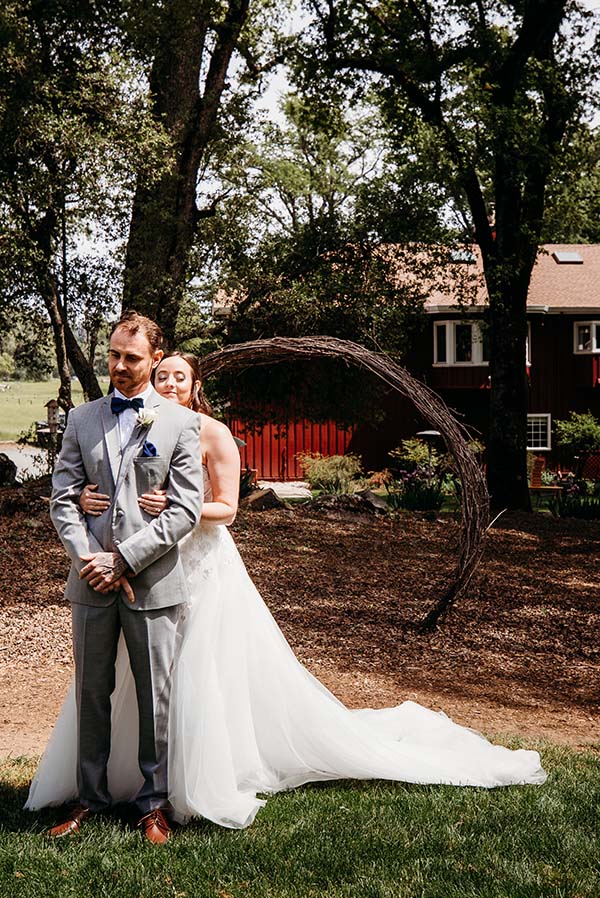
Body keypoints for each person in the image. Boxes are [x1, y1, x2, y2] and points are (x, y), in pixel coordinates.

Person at [28, 352, 546, 832]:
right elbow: (100, 484)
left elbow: (223, 507)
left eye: (178, 376)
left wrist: (171, 508)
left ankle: (185, 780)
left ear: (195, 384)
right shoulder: (125, 418)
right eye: (162, 375)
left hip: (192, 560)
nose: (168, 382)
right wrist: (87, 499)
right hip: (130, 561)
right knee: (116, 679)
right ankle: (107, 784)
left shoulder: (206, 431)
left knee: (191, 676)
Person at [42, 316, 204, 844]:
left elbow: (183, 510)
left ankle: (152, 804)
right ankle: (89, 798)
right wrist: (91, 557)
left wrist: (124, 559)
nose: (119, 366)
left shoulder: (179, 423)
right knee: (92, 691)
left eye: (131, 358)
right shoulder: (81, 418)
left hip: (153, 582)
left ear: (155, 359)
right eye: (113, 354)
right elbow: (62, 498)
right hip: (90, 580)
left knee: (155, 693)